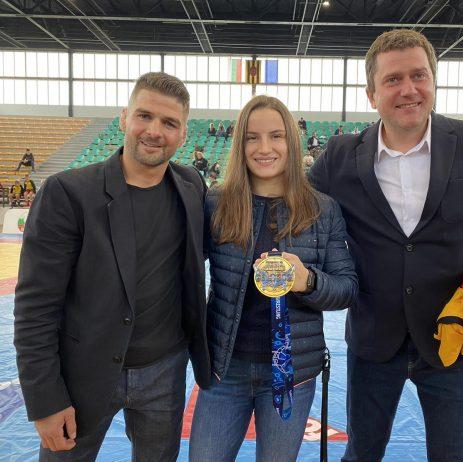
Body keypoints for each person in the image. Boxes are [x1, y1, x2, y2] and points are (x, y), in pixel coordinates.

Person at [309, 29, 463, 462]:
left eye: (419, 75)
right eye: (393, 79)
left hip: (457, 338)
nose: (408, 89)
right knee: (361, 455)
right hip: (373, 342)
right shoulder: (338, 155)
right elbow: (294, 214)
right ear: (372, 94)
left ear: (433, 81)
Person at [14, 72, 210, 461]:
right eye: (144, 116)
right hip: (82, 373)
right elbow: (36, 306)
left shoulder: (191, 186)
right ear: (124, 118)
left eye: (169, 123)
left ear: (183, 134)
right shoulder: (67, 193)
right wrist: (45, 400)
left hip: (165, 371)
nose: (154, 131)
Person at [189, 95, 358, 462]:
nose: (264, 148)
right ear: (240, 145)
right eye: (252, 137)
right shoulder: (216, 203)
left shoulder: (322, 209)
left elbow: (347, 287)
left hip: (292, 374)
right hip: (224, 371)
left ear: (291, 142)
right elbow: (180, 267)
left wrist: (308, 281)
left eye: (276, 136)